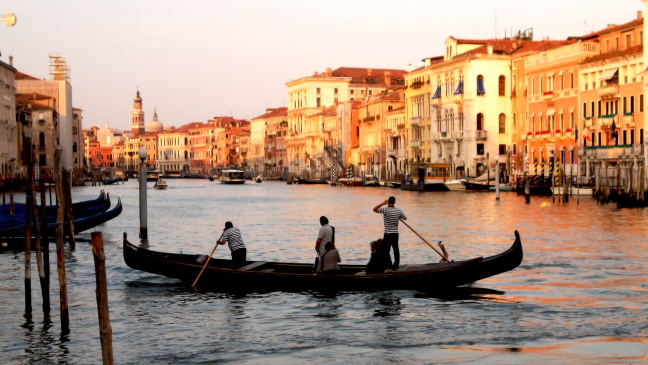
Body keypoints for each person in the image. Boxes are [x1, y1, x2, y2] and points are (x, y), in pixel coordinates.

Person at [373, 196, 406, 271]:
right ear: (394, 202)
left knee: (386, 250)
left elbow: (374, 209)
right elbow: (405, 218)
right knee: (396, 249)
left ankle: (388, 265)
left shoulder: (385, 209)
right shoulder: (399, 211)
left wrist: (382, 203)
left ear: (388, 202)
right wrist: (397, 216)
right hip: (395, 233)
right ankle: (396, 265)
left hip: (388, 233)